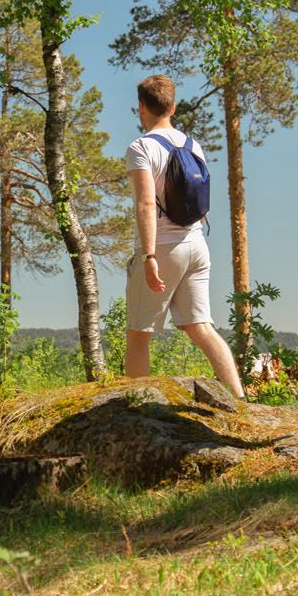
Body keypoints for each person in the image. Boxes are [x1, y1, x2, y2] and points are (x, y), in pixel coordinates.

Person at [124, 74, 246, 399]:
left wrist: (149, 256)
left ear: (141, 108)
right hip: (196, 245)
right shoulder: (193, 146)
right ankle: (240, 400)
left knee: (139, 333)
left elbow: (146, 203)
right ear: (173, 107)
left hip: (163, 248)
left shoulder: (141, 147)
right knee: (201, 326)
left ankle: (136, 407)